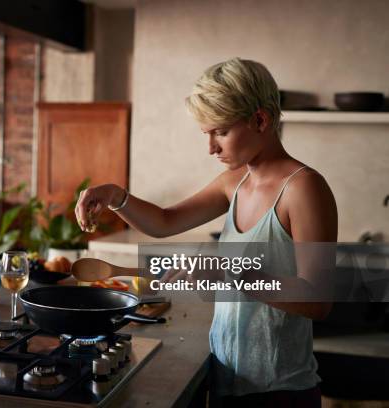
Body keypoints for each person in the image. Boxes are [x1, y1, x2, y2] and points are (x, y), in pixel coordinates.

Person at [74, 58, 338, 408]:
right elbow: (165, 222)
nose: (211, 147)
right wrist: (116, 196)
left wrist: (231, 273)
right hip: (227, 378)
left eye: (220, 132)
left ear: (260, 120)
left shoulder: (303, 189)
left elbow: (318, 300)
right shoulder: (235, 181)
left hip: (280, 392)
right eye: (207, 134)